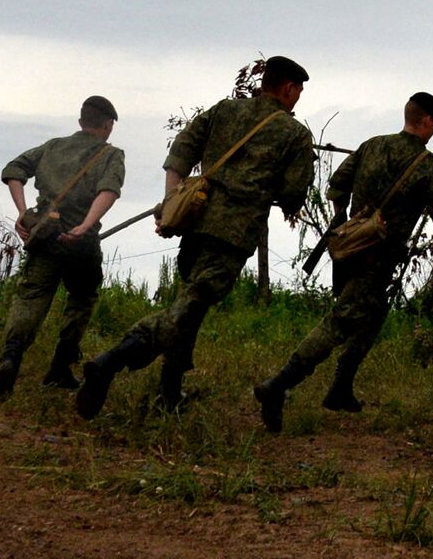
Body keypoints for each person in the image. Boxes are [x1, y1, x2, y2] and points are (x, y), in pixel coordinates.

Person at [76, 55, 315, 418]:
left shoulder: (224, 111)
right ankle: (110, 361)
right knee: (185, 312)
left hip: (196, 224)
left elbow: (180, 153)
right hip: (232, 235)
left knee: (190, 308)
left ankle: (168, 395)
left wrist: (173, 200)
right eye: (297, 92)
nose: (296, 98)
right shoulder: (294, 134)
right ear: (288, 88)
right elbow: (294, 193)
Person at [253, 91, 433, 431]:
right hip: (380, 255)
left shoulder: (372, 144)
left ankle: (341, 388)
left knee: (373, 314)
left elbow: (336, 185)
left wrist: (346, 220)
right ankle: (278, 384)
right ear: (427, 122)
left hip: (349, 248)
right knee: (340, 321)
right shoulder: (427, 164)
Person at [0, 96, 126, 399]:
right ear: (107, 126)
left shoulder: (52, 147)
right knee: (82, 297)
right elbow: (109, 191)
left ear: (80, 122)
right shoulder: (111, 154)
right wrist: (85, 225)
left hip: (45, 236)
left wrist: (23, 212)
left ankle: (11, 356)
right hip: (81, 242)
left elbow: (14, 170)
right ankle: (60, 368)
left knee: (31, 296)